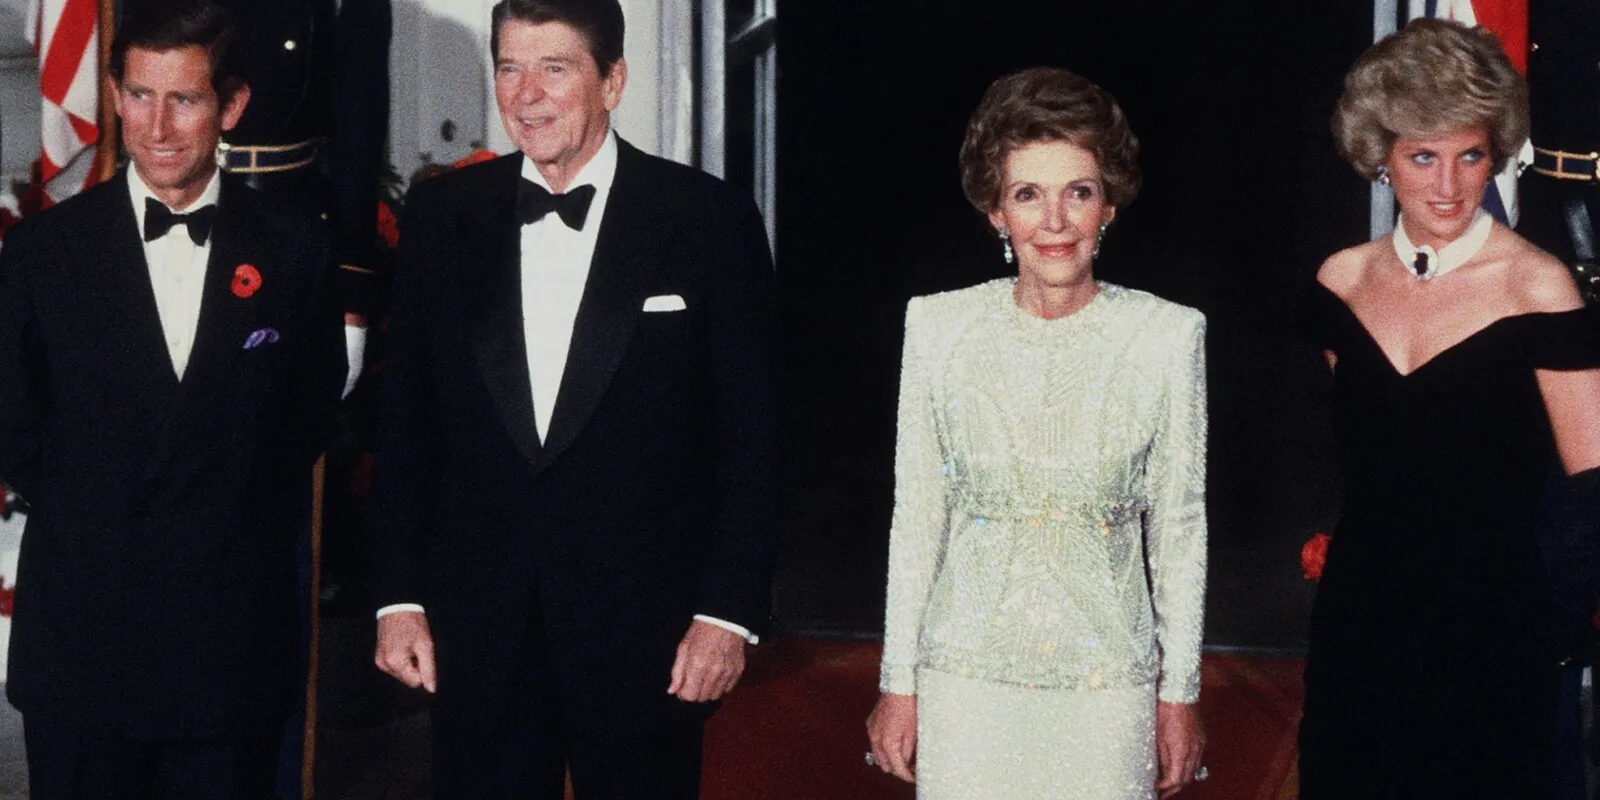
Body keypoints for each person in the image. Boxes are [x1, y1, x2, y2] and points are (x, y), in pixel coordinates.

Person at [366, 0, 777, 797]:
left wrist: (727, 612)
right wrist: (399, 596)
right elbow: (407, 427)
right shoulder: (443, 217)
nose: (526, 95)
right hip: (476, 632)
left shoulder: (706, 221)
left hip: (648, 634)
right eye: (511, 68)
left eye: (555, 69)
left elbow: (752, 440)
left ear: (613, 81)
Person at [0, 1, 347, 796]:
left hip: (225, 651)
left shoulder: (295, 254)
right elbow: (15, 427)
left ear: (232, 106)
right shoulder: (42, 256)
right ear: (115, 96)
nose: (156, 126)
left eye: (184, 99)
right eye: (139, 95)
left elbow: (305, 419)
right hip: (86, 649)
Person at [865, 67, 1208, 800]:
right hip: (964, 681)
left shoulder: (1168, 337)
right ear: (995, 211)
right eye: (1028, 195)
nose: (1054, 222)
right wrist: (899, 683)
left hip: (1107, 686)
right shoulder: (936, 327)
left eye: (1077, 192)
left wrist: (1179, 693)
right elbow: (919, 515)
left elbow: (1177, 528)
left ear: (1108, 204)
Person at [1300, 17, 1600, 797]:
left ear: (1493, 151)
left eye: (1469, 155)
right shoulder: (1340, 283)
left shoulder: (1540, 286)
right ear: (1380, 158)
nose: (1447, 185)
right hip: (1359, 629)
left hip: (1495, 637)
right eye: (1421, 156)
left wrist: (1558, 636)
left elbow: (1592, 487)